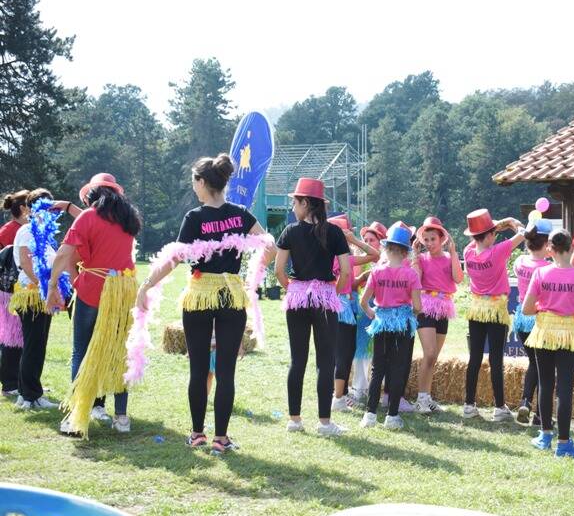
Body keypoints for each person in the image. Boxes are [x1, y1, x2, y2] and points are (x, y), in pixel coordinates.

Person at [137, 154, 274, 453]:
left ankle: (198, 434)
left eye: (194, 182)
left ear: (202, 182)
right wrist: (253, 271)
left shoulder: (195, 217)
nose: (194, 188)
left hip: (199, 295)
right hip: (231, 296)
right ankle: (221, 439)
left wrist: (147, 285)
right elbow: (269, 246)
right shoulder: (241, 214)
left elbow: (174, 258)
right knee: (225, 372)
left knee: (198, 369)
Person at [46, 174, 140, 436]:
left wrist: (52, 286)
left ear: (92, 195)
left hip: (93, 289)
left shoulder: (88, 217)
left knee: (81, 351)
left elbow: (65, 253)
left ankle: (77, 415)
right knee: (119, 352)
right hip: (123, 289)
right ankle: (121, 418)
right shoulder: (128, 219)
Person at [276, 177, 350, 437]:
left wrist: (293, 288)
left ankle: (294, 420)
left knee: (297, 359)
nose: (293, 208)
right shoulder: (335, 232)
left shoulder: (290, 231)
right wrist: (334, 290)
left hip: (297, 297)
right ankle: (324, 423)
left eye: (295, 202)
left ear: (305, 203)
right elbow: (346, 270)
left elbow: (279, 270)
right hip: (324, 298)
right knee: (325, 361)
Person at [522, 228, 574, 460]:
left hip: (544, 332)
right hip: (568, 333)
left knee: (546, 385)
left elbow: (526, 309)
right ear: (572, 248)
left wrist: (545, 309)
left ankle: (545, 435)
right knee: (564, 388)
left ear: (550, 249)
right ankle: (564, 443)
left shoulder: (541, 273)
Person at [10, 188, 79, 411]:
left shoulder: (42, 232)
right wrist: (44, 288)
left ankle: (28, 393)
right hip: (32, 295)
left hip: (41, 295)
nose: (49, 211)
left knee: (36, 345)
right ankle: (30, 395)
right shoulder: (28, 231)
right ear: (31, 209)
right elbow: (26, 263)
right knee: (33, 345)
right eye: (44, 206)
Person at [462, 209, 525, 421]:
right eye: (493, 234)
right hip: (496, 308)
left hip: (476, 307)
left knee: (475, 358)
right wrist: (511, 221)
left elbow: (475, 241)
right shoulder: (498, 251)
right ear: (489, 235)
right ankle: (499, 407)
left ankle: (469, 404)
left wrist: (491, 228)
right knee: (496, 358)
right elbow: (524, 232)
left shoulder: (468, 253)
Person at [359, 224, 422, 429]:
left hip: (381, 322)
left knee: (378, 368)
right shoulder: (411, 275)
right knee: (397, 368)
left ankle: (369, 414)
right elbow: (418, 307)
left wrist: (373, 314)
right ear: (405, 252)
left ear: (386, 249)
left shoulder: (376, 272)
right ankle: (392, 416)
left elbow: (364, 302)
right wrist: (409, 314)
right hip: (402, 324)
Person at [411, 216, 463, 414]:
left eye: (433, 238)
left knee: (434, 356)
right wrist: (415, 255)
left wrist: (453, 252)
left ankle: (427, 397)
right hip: (425, 306)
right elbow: (416, 280)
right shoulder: (422, 259)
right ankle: (421, 399)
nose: (429, 243)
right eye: (426, 239)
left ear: (442, 239)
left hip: (444, 307)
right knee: (430, 353)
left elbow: (458, 278)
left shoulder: (450, 258)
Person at [329, 215, 379, 412]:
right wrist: (354, 240)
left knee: (336, 353)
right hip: (345, 309)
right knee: (345, 353)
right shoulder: (347, 258)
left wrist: (358, 280)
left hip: (330, 306)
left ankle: (336, 395)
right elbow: (375, 255)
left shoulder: (323, 255)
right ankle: (338, 398)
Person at [512, 218, 552, 425]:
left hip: (521, 317)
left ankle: (527, 402)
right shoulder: (547, 268)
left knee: (534, 363)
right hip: (539, 319)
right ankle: (538, 412)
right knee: (542, 366)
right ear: (547, 245)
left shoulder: (519, 263)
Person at [351, 221, 387, 401]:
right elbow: (354, 283)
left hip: (381, 306)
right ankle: (359, 387)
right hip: (363, 306)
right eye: (365, 239)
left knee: (380, 350)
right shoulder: (361, 261)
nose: (367, 243)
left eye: (372, 240)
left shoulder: (387, 262)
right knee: (361, 348)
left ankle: (379, 389)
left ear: (381, 243)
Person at [0, 190, 29, 397]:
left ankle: (19, 380)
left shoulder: (17, 229)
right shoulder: (11, 231)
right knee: (13, 337)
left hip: (16, 290)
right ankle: (10, 384)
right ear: (22, 209)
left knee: (18, 337)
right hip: (9, 291)